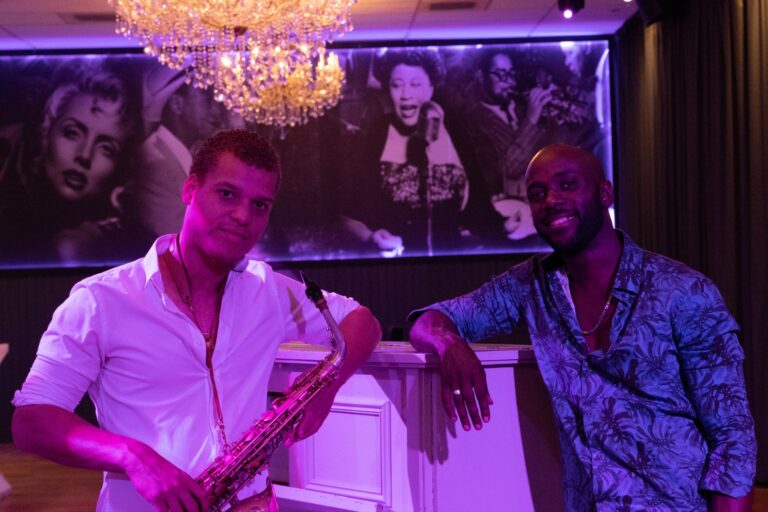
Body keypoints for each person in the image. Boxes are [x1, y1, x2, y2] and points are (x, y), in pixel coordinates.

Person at [12, 129, 381, 511]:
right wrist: (132, 456)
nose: (243, 216)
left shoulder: (267, 289)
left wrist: (327, 388)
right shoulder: (101, 300)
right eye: (227, 194)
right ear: (190, 190)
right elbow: (31, 422)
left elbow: (362, 320)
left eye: (260, 205)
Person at [409, 144, 756, 511]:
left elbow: (733, 439)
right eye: (537, 194)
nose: (550, 201)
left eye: (567, 184)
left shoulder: (684, 292)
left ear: (604, 193)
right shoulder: (531, 286)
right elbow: (426, 319)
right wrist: (449, 343)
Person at [0, 57, 142, 266]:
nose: (84, 156)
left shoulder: (125, 240)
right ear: (47, 129)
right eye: (72, 133)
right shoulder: (6, 163)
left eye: (106, 148)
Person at [340, 48, 470, 257]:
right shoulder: (375, 134)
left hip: (456, 261)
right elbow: (347, 215)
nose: (406, 95)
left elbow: (481, 207)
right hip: (396, 262)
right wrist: (372, 237)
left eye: (415, 85)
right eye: (397, 85)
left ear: (431, 88)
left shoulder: (456, 130)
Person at [123, 69, 233, 241]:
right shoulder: (155, 165)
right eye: (207, 100)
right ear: (177, 105)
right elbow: (179, 240)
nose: (217, 111)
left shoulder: (185, 156)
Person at [460, 49, 554, 241]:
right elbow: (504, 170)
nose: (508, 81)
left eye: (511, 74)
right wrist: (531, 121)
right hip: (508, 220)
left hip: (540, 216)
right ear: (481, 76)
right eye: (500, 74)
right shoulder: (471, 121)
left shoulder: (523, 109)